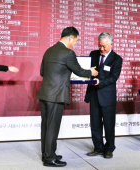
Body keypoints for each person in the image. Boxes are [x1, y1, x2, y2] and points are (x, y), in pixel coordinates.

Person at [36, 27, 98, 167]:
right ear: (71, 38)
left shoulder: (49, 51)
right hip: (56, 95)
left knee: (46, 126)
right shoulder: (68, 53)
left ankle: (47, 153)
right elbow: (80, 71)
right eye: (75, 41)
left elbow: (42, 72)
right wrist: (91, 72)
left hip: (44, 94)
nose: (74, 44)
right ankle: (50, 159)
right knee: (53, 127)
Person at [84, 32, 122, 158]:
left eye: (104, 46)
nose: (101, 49)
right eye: (99, 45)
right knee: (95, 124)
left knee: (109, 124)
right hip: (93, 95)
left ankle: (109, 148)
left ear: (111, 44)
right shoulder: (93, 54)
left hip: (107, 96)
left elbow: (114, 78)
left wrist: (100, 82)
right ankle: (98, 148)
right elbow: (88, 70)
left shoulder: (117, 59)